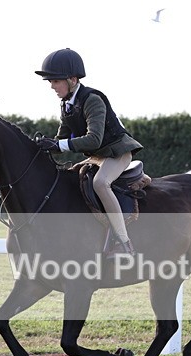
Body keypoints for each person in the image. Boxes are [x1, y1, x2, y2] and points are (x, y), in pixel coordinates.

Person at [34, 48, 143, 259]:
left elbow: (93, 139)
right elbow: (61, 139)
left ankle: (124, 243)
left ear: (73, 80)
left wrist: (58, 145)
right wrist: (41, 147)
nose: (52, 86)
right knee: (72, 177)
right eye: (50, 81)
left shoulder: (92, 99)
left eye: (55, 81)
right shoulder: (67, 105)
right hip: (99, 156)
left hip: (117, 151)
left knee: (100, 183)